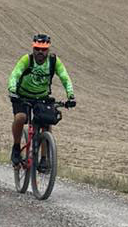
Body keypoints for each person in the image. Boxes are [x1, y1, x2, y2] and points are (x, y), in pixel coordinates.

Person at [8, 33, 76, 167]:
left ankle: (44, 159)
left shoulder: (54, 61)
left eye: (43, 49)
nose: (40, 52)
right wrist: (12, 89)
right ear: (33, 49)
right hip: (22, 96)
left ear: (48, 50)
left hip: (42, 97)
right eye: (37, 49)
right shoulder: (26, 60)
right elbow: (15, 75)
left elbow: (65, 78)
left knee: (46, 122)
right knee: (21, 117)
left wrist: (71, 95)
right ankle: (16, 148)